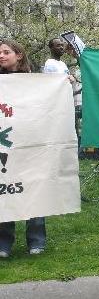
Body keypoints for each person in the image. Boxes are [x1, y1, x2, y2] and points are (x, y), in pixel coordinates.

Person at [0, 39, 46, 257]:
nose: (1, 56)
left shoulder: (33, 81)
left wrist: (65, 82)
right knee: (5, 190)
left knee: (32, 189)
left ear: (18, 55)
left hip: (29, 144)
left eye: (6, 52)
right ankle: (3, 243)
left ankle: (36, 240)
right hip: (5, 145)